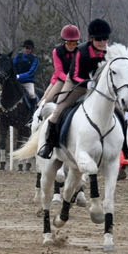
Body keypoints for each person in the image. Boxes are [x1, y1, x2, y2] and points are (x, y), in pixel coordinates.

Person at [38, 19, 112, 158]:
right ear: (91, 39)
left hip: (97, 88)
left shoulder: (108, 52)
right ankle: (48, 145)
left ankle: (124, 148)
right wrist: (87, 83)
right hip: (75, 84)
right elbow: (74, 75)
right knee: (58, 110)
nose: (102, 42)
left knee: (118, 110)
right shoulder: (81, 51)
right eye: (98, 39)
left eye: (105, 39)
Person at [39, 25, 82, 110]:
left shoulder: (80, 50)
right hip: (60, 79)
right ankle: (37, 119)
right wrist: (70, 80)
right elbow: (59, 72)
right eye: (69, 43)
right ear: (64, 41)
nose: (72, 45)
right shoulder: (57, 51)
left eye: (74, 43)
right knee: (46, 100)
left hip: (77, 80)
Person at [11, 40, 39, 108]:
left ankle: (33, 110)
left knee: (32, 94)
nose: (28, 50)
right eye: (26, 48)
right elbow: (13, 66)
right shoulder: (17, 56)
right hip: (16, 81)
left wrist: (19, 76)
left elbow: (31, 72)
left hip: (28, 82)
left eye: (29, 48)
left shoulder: (34, 59)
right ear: (24, 48)